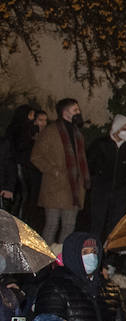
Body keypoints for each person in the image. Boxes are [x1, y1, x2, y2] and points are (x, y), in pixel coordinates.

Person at [28, 98, 89, 245]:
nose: (78, 112)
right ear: (65, 112)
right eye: (75, 110)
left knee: (69, 226)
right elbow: (36, 156)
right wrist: (52, 170)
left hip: (73, 187)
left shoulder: (77, 133)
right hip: (55, 187)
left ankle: (61, 259)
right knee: (52, 225)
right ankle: (45, 260)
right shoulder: (51, 131)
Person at [86, 115, 126, 240]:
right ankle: (92, 252)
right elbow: (89, 164)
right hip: (100, 189)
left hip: (120, 190)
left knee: (115, 225)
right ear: (116, 128)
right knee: (97, 223)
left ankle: (111, 253)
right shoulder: (100, 144)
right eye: (124, 129)